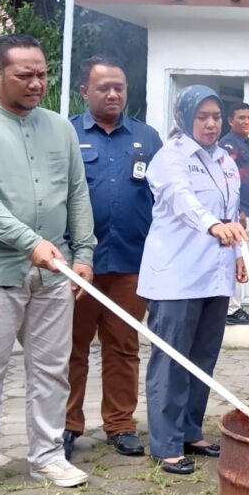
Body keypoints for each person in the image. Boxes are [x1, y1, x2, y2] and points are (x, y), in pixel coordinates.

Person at [0, 34, 96, 495]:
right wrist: (30, 242)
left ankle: (48, 456)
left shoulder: (61, 128)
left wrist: (85, 253)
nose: (37, 84)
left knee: (53, 370)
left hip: (54, 272)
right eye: (24, 75)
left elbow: (76, 192)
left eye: (42, 74)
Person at [138, 85, 248, 475]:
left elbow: (232, 212)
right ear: (184, 118)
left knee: (202, 358)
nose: (210, 123)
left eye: (216, 116)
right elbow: (182, 200)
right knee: (171, 359)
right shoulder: (170, 157)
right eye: (202, 116)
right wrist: (212, 225)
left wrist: (237, 255)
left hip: (215, 277)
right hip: (176, 276)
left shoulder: (226, 161)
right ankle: (166, 445)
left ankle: (190, 432)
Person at [63, 56, 163, 460]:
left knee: (123, 348)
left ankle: (120, 425)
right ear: (85, 91)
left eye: (119, 87)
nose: (112, 93)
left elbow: (163, 198)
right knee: (71, 348)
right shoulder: (66, 134)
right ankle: (67, 426)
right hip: (76, 265)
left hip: (130, 264)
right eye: (103, 87)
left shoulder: (148, 138)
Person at [219, 101, 249, 326]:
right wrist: (238, 211)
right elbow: (229, 182)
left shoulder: (247, 144)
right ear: (230, 121)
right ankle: (230, 309)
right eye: (241, 118)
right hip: (239, 215)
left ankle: (232, 307)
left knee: (243, 260)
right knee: (234, 259)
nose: (246, 122)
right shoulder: (228, 146)